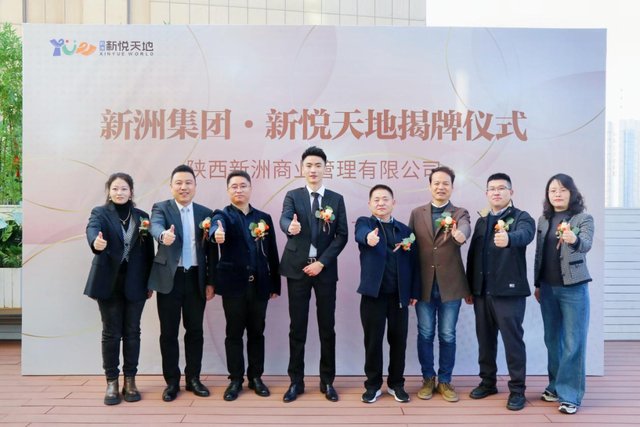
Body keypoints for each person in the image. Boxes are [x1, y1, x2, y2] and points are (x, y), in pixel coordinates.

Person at [279, 146, 348, 403]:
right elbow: (284, 219)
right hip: (297, 269)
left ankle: (327, 381)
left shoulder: (336, 199)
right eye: (308, 165)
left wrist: (321, 263)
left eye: (318, 165)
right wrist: (290, 227)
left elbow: (342, 235)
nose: (313, 170)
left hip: (324, 271)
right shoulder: (293, 196)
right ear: (302, 168)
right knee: (297, 327)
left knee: (327, 327)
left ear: (325, 168)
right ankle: (295, 381)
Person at [210, 170, 281, 401]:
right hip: (233, 286)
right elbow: (216, 228)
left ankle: (256, 377)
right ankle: (235, 379)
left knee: (257, 333)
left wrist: (275, 284)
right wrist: (217, 233)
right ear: (228, 190)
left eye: (243, 186)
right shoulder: (222, 215)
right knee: (233, 333)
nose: (239, 190)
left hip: (260, 285)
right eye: (234, 186)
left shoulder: (263, 218)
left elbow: (272, 252)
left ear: (250, 188)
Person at [84, 172, 155, 405]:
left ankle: (130, 381)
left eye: (124, 188)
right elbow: (92, 230)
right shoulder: (100, 213)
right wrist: (96, 242)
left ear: (131, 192)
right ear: (109, 191)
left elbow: (149, 252)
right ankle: (112, 382)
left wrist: (150, 282)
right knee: (111, 333)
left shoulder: (142, 217)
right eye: (115, 188)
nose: (119, 192)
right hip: (108, 282)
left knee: (133, 332)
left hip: (136, 282)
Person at [466, 173, 535, 411]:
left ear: (510, 193)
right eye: (492, 189)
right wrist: (470, 287)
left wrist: (509, 238)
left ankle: (517, 390)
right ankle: (488, 383)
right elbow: (473, 255)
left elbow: (525, 235)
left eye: (501, 188)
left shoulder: (522, 217)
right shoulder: (482, 221)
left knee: (512, 341)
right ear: (487, 193)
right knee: (485, 340)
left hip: (509, 293)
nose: (496, 192)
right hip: (482, 292)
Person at [148, 164, 216, 402]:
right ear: (171, 186)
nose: (183, 187)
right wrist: (162, 235)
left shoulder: (206, 213)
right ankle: (172, 382)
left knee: (195, 330)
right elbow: (155, 226)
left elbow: (211, 252)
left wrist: (210, 281)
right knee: (168, 332)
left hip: (196, 278)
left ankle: (193, 378)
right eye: (179, 182)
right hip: (170, 279)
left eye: (188, 182)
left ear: (195, 186)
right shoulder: (161, 208)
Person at [408, 166, 471, 403]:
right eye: (436, 183)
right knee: (425, 334)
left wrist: (460, 234)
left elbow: (465, 227)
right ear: (430, 186)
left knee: (447, 335)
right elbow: (410, 250)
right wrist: (411, 286)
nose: (441, 187)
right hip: (423, 285)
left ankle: (445, 380)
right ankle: (428, 378)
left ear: (452, 187)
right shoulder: (417, 213)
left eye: (446, 183)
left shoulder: (460, 212)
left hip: (450, 286)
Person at [533, 174, 594, 415]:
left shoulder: (583, 218)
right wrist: (537, 284)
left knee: (573, 342)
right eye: (552, 190)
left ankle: (570, 396)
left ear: (572, 192)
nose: (557, 194)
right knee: (552, 341)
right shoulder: (543, 220)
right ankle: (555, 386)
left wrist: (574, 238)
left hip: (574, 289)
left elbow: (586, 244)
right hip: (547, 288)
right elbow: (539, 254)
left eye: (562, 189)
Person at [355, 184, 419, 404]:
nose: (381, 203)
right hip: (373, 295)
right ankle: (372, 386)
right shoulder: (365, 223)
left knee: (399, 341)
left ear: (393, 202)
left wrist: (413, 291)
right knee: (373, 342)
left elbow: (414, 263)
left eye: (385, 199)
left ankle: (396, 384)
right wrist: (369, 238)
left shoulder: (405, 231)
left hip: (399, 296)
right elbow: (360, 234)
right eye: (376, 199)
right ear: (370, 204)